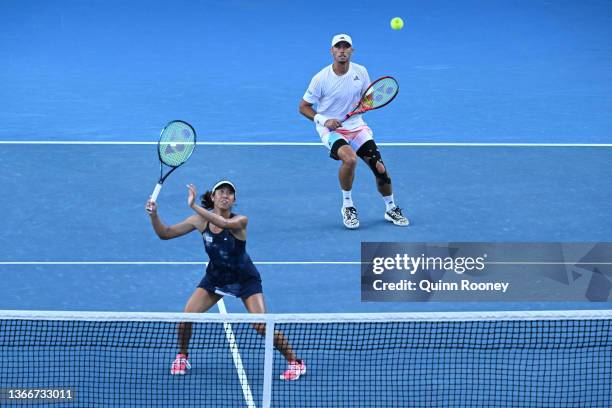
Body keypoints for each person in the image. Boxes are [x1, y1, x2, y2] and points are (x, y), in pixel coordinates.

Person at [145, 180, 306, 381]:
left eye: (230, 193)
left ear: (234, 200)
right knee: (185, 319)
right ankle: (182, 356)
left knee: (261, 325)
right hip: (216, 278)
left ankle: (295, 362)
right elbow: (165, 234)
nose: (225, 195)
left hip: (245, 279)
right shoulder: (199, 221)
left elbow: (224, 224)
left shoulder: (240, 221)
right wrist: (154, 216)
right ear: (213, 197)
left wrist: (194, 205)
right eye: (220, 192)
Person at [299, 33, 409, 229]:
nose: (342, 50)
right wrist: (324, 120)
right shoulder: (320, 78)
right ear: (332, 51)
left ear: (352, 50)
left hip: (357, 126)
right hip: (331, 130)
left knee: (380, 169)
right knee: (349, 159)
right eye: (338, 47)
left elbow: (369, 98)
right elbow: (303, 107)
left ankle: (390, 208)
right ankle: (348, 205)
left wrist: (364, 104)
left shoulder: (361, 72)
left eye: (346, 46)